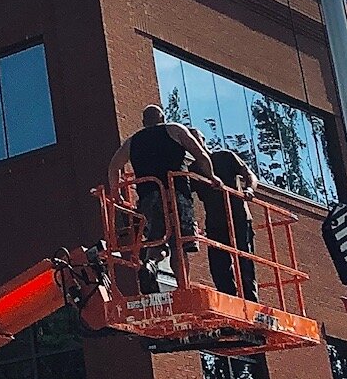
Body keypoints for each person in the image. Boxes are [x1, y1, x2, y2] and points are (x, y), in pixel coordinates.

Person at [108, 106, 214, 273]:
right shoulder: (174, 129)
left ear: (144, 122)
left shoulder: (132, 141)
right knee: (179, 244)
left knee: (156, 239)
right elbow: (199, 153)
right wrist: (213, 177)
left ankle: (150, 264)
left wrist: (117, 194)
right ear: (163, 118)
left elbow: (114, 167)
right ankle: (182, 284)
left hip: (149, 197)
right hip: (176, 193)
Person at [198, 146, 259, 300]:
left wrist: (250, 190)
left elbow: (250, 175)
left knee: (244, 258)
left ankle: (250, 299)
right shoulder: (194, 168)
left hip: (238, 216)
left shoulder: (225, 157)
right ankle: (228, 297)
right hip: (215, 222)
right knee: (218, 264)